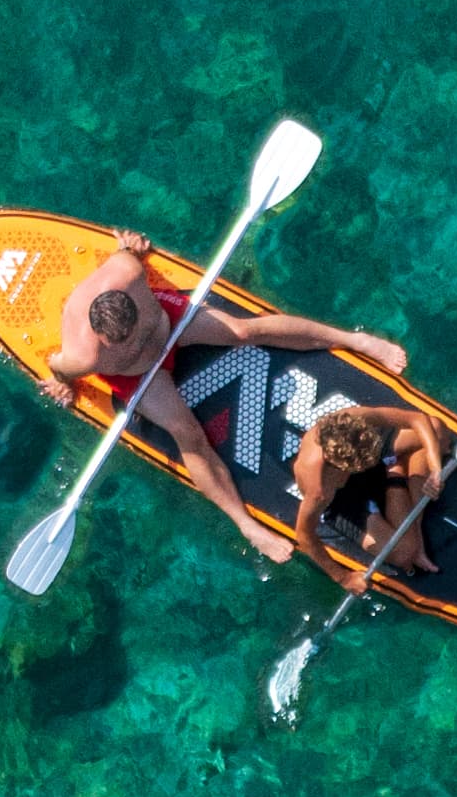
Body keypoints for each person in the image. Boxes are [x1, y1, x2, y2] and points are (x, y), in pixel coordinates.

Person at [46, 232, 408, 567]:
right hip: (139, 377)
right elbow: (57, 366)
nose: (136, 343)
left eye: (138, 330)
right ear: (102, 340)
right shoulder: (83, 356)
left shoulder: (127, 273)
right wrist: (59, 382)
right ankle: (246, 525)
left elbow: (125, 251)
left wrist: (130, 245)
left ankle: (356, 341)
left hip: (173, 324)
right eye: (122, 345)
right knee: (186, 432)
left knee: (244, 330)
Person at [289, 393, 447, 576]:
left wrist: (435, 469)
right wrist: (342, 578)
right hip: (344, 498)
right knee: (404, 553)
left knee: (437, 430)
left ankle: (413, 523)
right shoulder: (319, 490)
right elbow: (304, 536)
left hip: (363, 459)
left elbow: (418, 419)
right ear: (345, 468)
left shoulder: (349, 421)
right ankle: (396, 471)